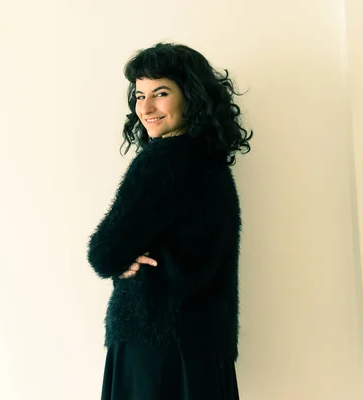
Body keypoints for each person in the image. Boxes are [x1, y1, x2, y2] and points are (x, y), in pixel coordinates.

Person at [86, 42, 253, 399]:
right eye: (139, 95)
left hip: (155, 345)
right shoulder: (211, 163)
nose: (145, 108)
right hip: (205, 347)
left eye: (160, 93)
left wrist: (122, 258)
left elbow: (104, 253)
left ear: (190, 96)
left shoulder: (162, 161)